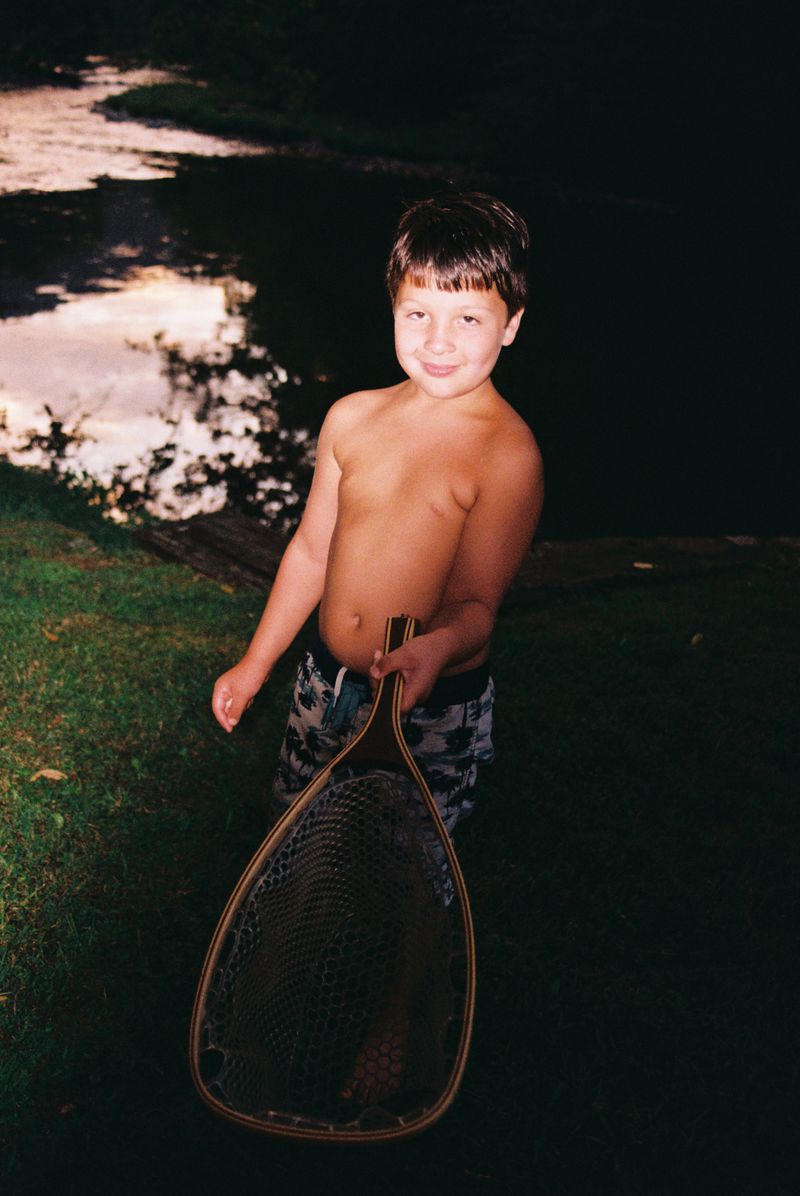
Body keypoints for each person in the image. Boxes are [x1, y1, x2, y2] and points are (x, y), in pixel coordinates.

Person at [211, 191, 544, 836]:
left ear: (511, 324)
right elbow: (311, 552)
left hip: (428, 704)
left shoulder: (506, 454)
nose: (438, 341)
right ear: (392, 308)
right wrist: (255, 664)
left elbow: (476, 607)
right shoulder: (352, 418)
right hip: (323, 684)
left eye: (469, 319)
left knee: (405, 876)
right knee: (295, 844)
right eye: (418, 313)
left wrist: (433, 651)